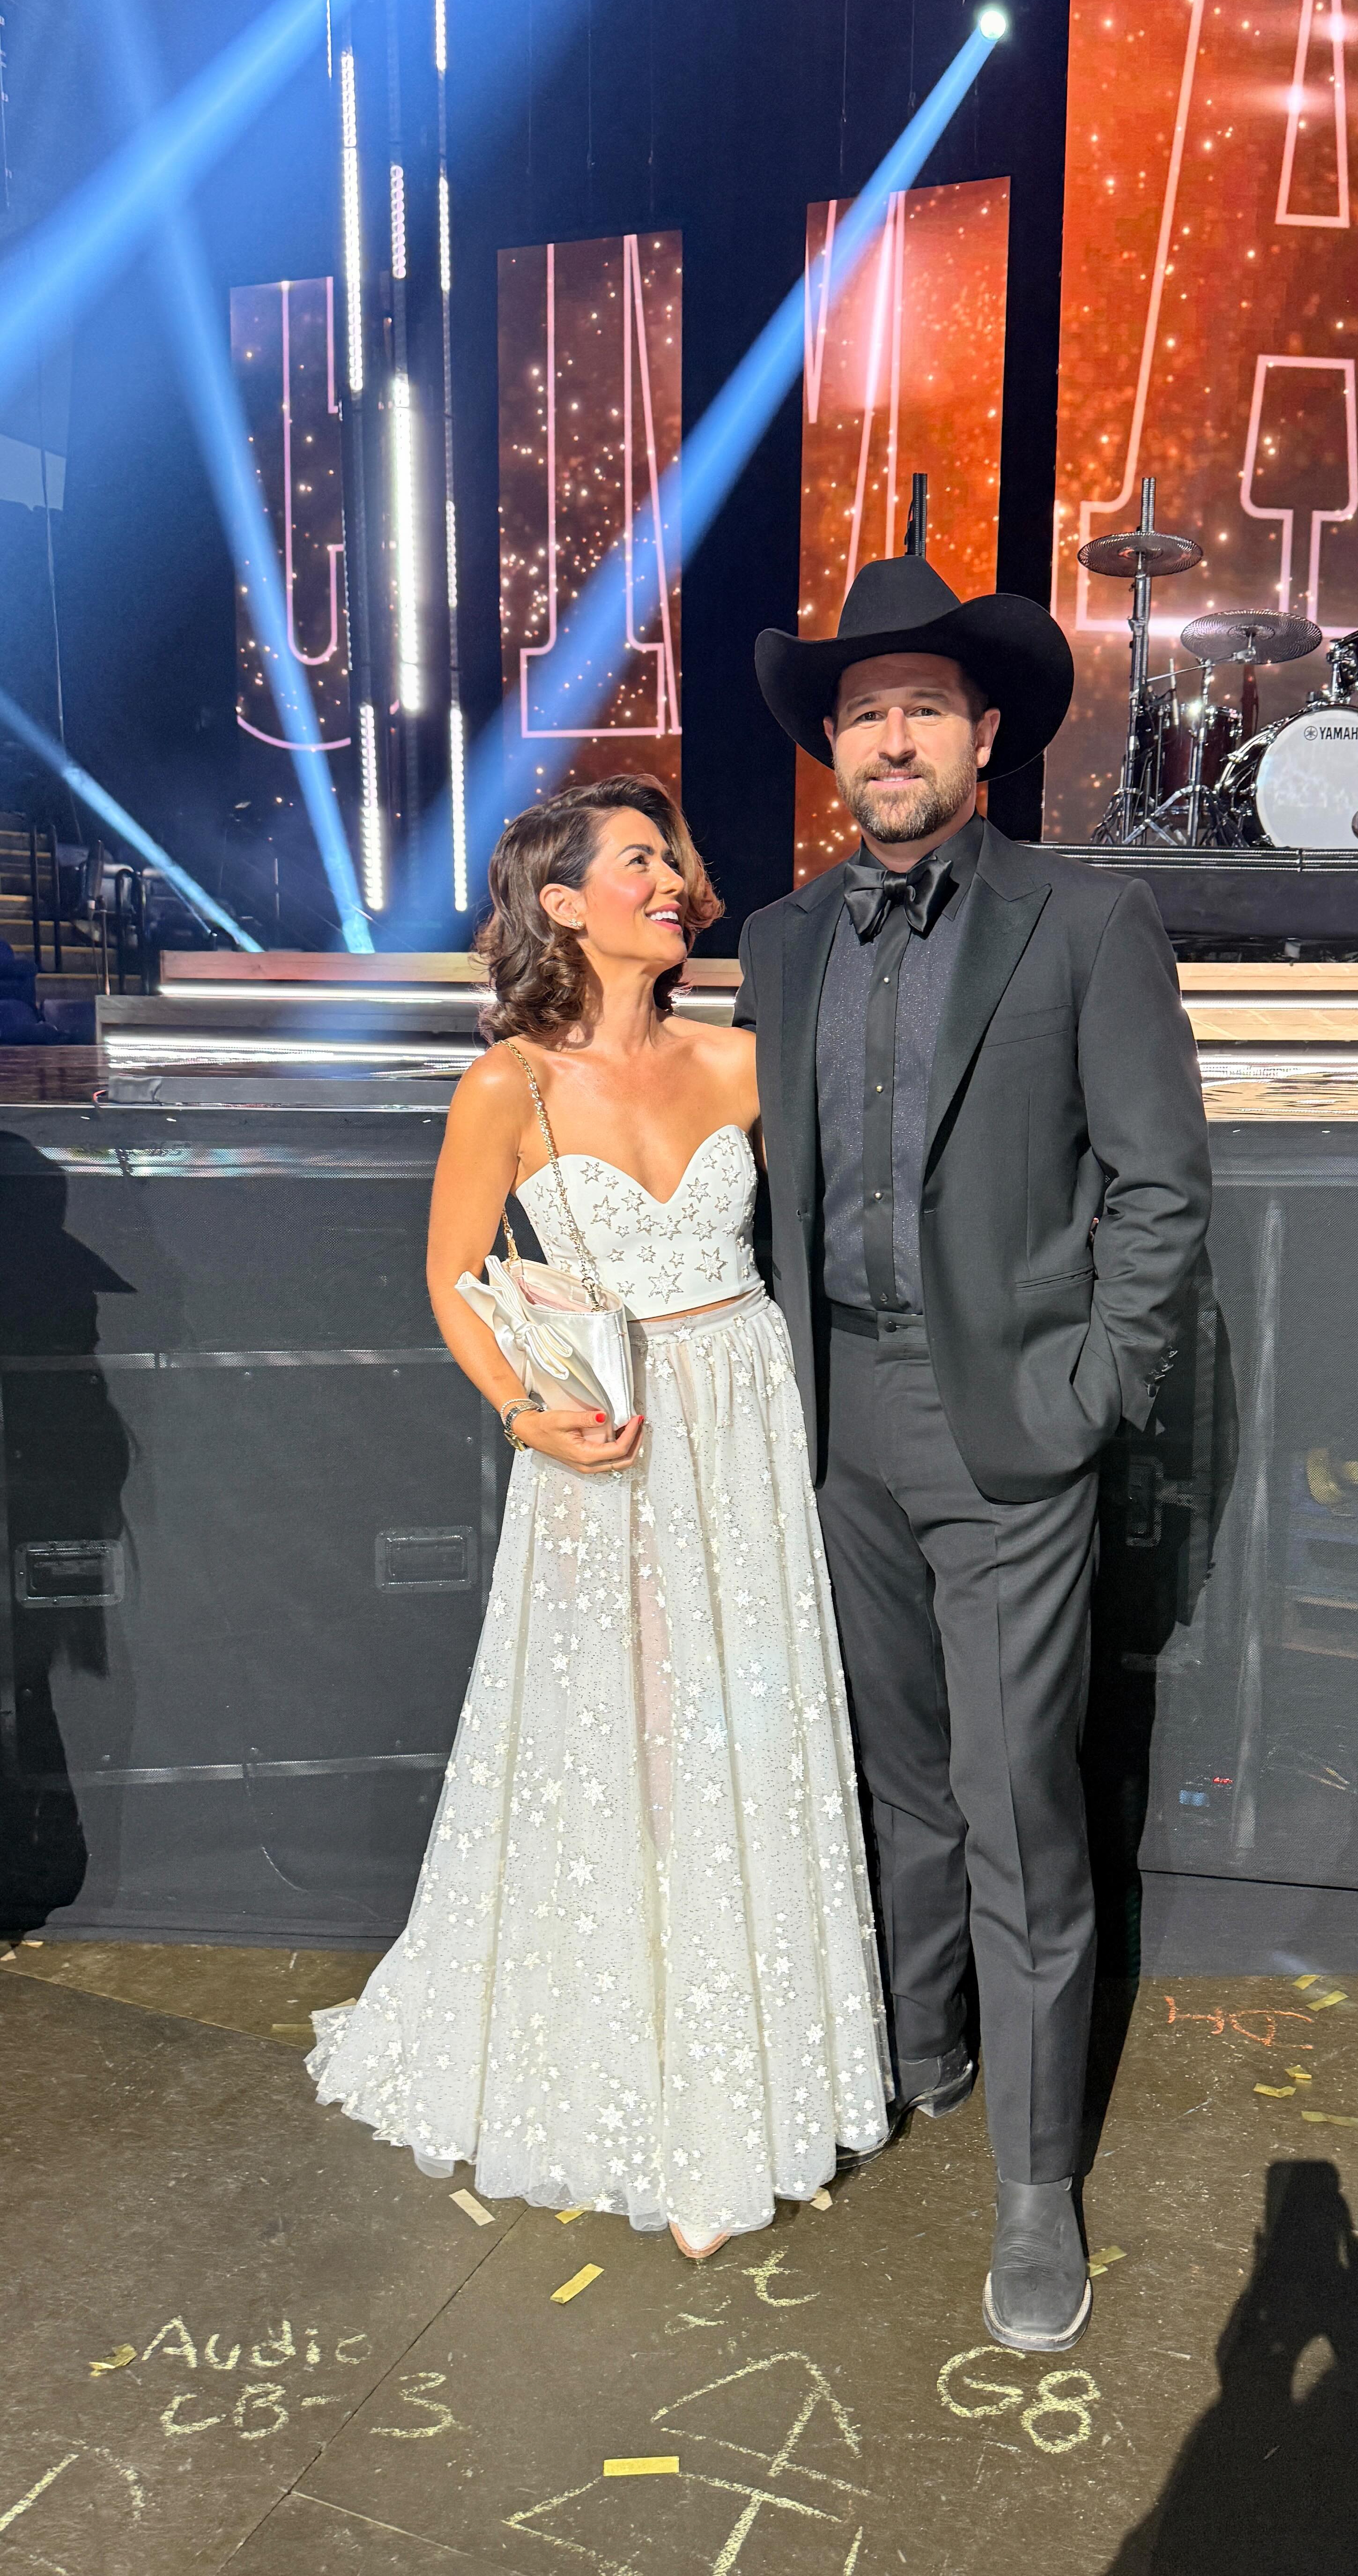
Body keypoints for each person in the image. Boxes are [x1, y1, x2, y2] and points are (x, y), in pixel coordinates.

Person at [308, 775, 889, 2259]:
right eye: (641, 860)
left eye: (674, 858)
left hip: (744, 1428)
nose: (675, 880)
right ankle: (642, 2088)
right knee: (623, 1742)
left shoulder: (744, 1060)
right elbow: (451, 1276)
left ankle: (747, 2081)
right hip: (604, 1452)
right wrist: (524, 1412)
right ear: (561, 903)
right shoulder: (505, 1086)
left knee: (742, 1733)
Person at [740, 551, 1211, 2349]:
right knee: (895, 1779)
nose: (890, 741)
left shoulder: (1085, 921)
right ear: (832, 747)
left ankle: (1031, 2185)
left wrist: (1090, 1389)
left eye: (922, 708)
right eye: (864, 714)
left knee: (1019, 1807)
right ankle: (920, 2043)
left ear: (984, 733)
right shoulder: (779, 942)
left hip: (1007, 1421)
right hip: (830, 1420)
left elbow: (1159, 1187)